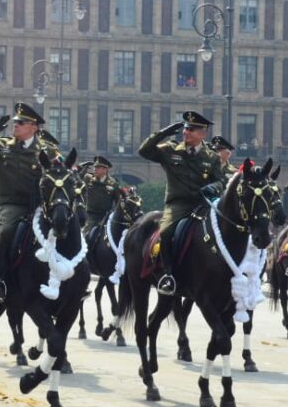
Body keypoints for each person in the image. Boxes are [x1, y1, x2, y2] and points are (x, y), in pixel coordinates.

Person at [0, 102, 55, 303]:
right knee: (6, 232)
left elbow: (59, 172)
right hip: (13, 205)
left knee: (64, 227)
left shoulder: (48, 151)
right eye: (15, 122)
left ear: (33, 127)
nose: (15, 125)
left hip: (41, 205)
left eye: (21, 123)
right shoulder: (2, 146)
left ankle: (72, 278)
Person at [138, 110, 223, 296]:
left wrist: (213, 188)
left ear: (203, 133)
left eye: (191, 129)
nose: (186, 133)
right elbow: (143, 150)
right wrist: (165, 132)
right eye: (185, 128)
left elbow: (221, 181)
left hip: (203, 205)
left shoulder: (212, 157)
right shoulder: (170, 150)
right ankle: (168, 275)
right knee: (166, 232)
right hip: (178, 205)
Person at [82, 155, 121, 232]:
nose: (95, 170)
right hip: (91, 215)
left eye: (98, 168)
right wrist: (82, 168)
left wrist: (113, 214)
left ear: (105, 170)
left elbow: (118, 201)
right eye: (95, 168)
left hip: (105, 216)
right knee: (87, 236)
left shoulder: (113, 184)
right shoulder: (88, 179)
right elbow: (78, 179)